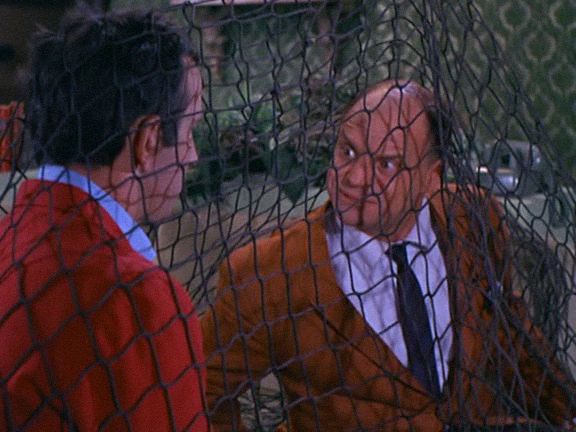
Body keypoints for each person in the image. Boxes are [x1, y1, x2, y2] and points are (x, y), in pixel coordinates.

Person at [201, 80, 576, 430]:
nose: (354, 177)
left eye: (386, 164)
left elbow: (514, 339)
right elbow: (201, 394)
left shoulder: (473, 218)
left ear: (432, 177)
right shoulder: (268, 270)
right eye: (347, 150)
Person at [0, 8, 208, 431]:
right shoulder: (137, 301)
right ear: (147, 141)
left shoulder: (12, 238)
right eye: (189, 132)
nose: (192, 156)